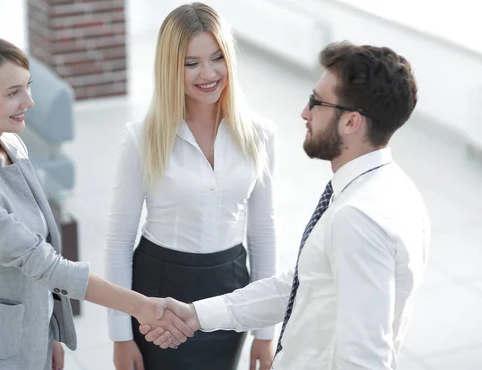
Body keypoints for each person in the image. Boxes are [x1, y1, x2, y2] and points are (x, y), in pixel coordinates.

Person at [141, 41, 431, 369]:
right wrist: (197, 315)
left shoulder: (357, 219)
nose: (305, 113)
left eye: (316, 102)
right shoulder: (398, 190)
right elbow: (306, 283)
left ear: (351, 122)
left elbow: (363, 358)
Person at [0, 32, 192, 370]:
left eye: (27, 86)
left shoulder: (12, 145)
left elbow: (43, 246)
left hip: (31, 340)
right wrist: (140, 306)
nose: (29, 101)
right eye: (13, 93)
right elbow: (43, 263)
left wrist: (49, 331)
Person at [104, 2, 278, 370]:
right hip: (160, 290)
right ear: (171, 67)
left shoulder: (260, 135)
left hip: (230, 285)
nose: (208, 73)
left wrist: (265, 331)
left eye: (217, 57)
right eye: (191, 62)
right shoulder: (141, 138)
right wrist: (121, 336)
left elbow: (262, 233)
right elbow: (119, 241)